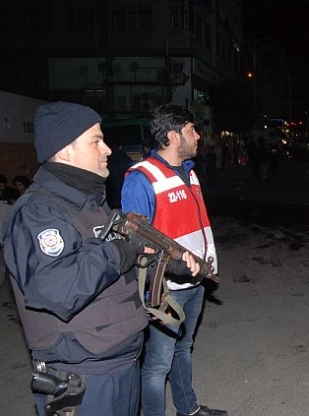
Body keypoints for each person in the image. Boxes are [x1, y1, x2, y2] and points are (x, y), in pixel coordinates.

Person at [1, 101, 195, 416]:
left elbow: (117, 270)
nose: (107, 149)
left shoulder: (91, 203)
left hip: (119, 362)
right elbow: (59, 288)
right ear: (65, 151)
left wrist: (169, 265)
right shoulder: (37, 212)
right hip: (79, 375)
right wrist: (120, 250)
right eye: (96, 141)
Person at [121, 103, 226, 416]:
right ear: (173, 135)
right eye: (192, 130)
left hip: (196, 281)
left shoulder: (189, 172)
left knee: (184, 347)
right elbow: (137, 242)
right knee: (157, 365)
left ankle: (187, 408)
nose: (198, 135)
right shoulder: (142, 178)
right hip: (165, 289)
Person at [105, 139, 133, 209]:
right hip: (126, 191)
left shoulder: (109, 160)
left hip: (113, 192)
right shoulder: (126, 159)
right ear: (120, 147)